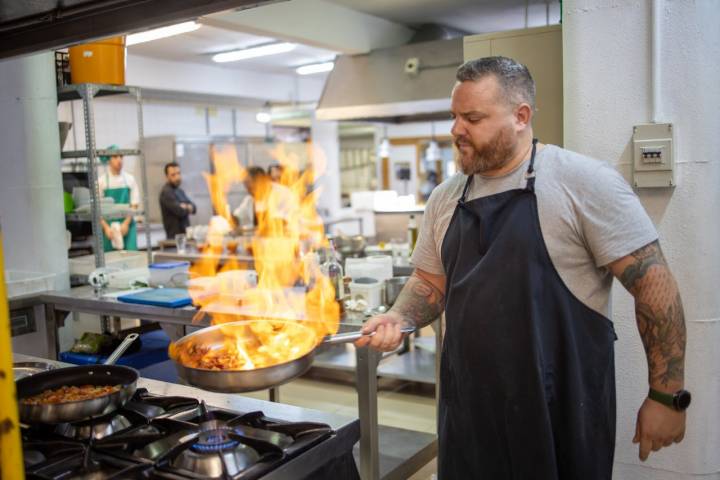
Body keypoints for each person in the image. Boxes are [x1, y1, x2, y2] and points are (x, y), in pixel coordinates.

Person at [357, 57, 688, 479]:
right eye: (455, 116)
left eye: (473, 117)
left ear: (521, 116)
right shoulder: (446, 198)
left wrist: (667, 395)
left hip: (560, 413)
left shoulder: (583, 183)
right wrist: (399, 316)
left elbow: (655, 287)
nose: (456, 130)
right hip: (470, 413)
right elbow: (429, 281)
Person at [98, 145, 140, 251]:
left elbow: (134, 204)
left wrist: (126, 223)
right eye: (115, 157)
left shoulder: (130, 179)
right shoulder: (101, 182)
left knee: (131, 258)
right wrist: (106, 228)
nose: (119, 160)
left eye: (121, 156)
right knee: (110, 261)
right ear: (108, 160)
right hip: (109, 227)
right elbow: (97, 208)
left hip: (128, 224)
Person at [233, 166, 295, 234]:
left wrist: (268, 225)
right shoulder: (250, 200)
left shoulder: (284, 193)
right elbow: (238, 216)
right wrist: (231, 218)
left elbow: (285, 219)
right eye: (247, 188)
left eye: (252, 188)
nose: (249, 192)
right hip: (259, 242)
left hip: (283, 240)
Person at [159, 162, 196, 239]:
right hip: (174, 239)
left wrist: (184, 206)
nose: (177, 177)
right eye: (173, 175)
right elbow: (180, 211)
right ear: (166, 177)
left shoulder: (180, 191)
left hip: (186, 236)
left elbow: (194, 208)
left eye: (178, 173)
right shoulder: (166, 192)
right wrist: (187, 207)